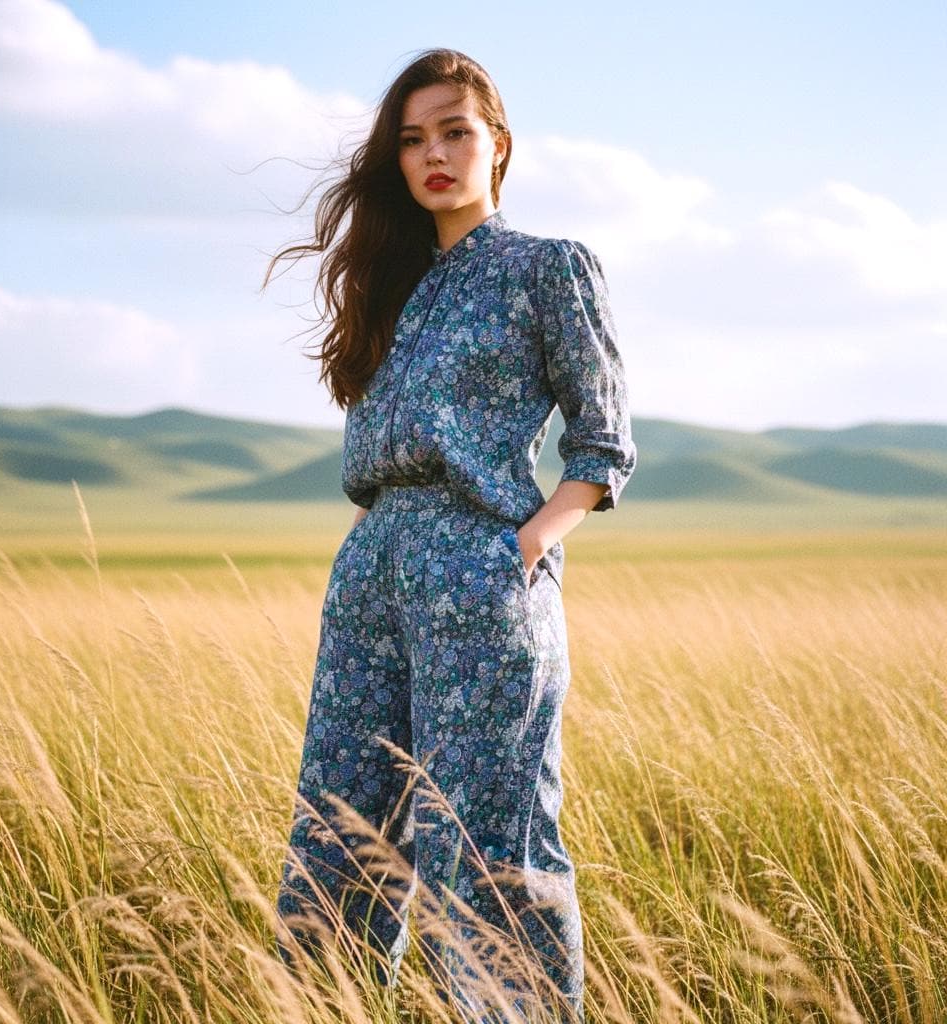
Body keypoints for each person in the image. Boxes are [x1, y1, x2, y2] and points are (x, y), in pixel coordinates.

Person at [264, 47, 636, 1024]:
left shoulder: (545, 267)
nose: (434, 153)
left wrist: (523, 546)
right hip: (373, 569)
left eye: (455, 131)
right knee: (336, 837)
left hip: (482, 572)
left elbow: (602, 446)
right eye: (412, 138)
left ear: (497, 145)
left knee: (485, 852)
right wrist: (373, 544)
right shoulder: (388, 290)